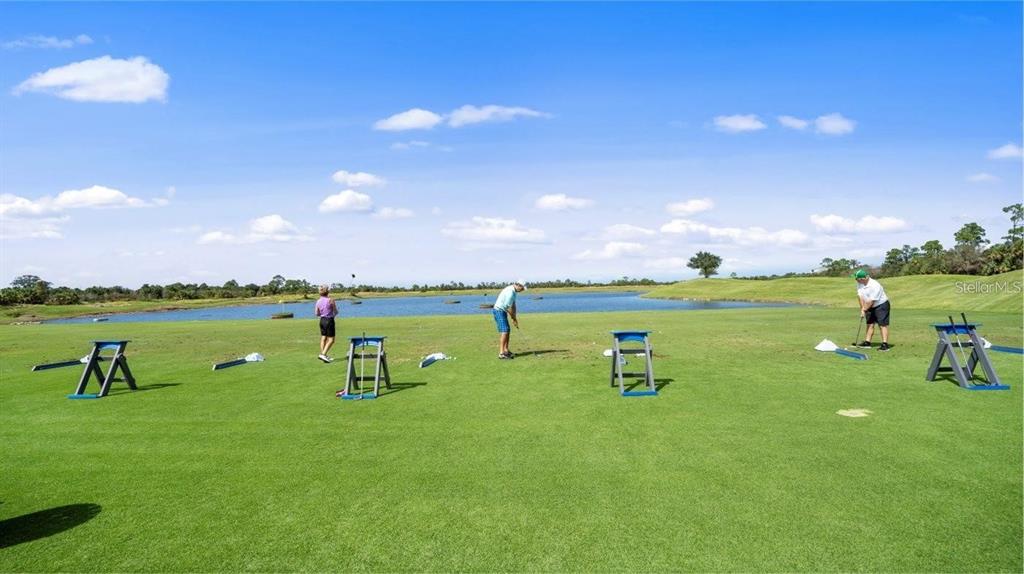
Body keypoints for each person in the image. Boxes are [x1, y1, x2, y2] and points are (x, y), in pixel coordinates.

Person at [852, 269, 891, 351]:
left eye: (857, 278)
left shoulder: (875, 285)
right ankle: (867, 342)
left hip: (881, 305)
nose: (856, 280)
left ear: (862, 278)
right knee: (869, 323)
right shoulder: (860, 284)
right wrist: (862, 309)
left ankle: (885, 344)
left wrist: (864, 310)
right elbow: (860, 297)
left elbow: (872, 301)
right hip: (868, 305)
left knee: (882, 324)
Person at [492, 279, 526, 359]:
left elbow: (513, 305)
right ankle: (501, 353)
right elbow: (509, 308)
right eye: (522, 288)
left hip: (502, 311)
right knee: (505, 331)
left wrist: (515, 318)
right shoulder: (510, 292)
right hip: (499, 311)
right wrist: (513, 318)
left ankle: (506, 350)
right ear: (518, 285)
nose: (522, 290)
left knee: (507, 330)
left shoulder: (514, 291)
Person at [314, 284, 339, 362]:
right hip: (329, 321)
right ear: (327, 292)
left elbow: (316, 314)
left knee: (323, 338)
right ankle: (323, 354)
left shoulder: (318, 301)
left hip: (322, 321)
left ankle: (324, 355)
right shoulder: (331, 300)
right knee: (331, 340)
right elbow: (336, 312)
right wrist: (334, 313)